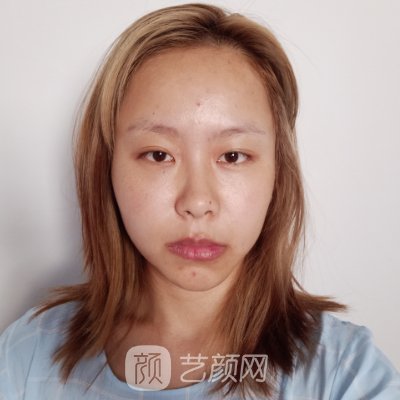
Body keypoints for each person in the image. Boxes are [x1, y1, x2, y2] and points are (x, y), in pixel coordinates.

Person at [0, 3, 399, 399]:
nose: (197, 201)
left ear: (279, 173)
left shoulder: (343, 375)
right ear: (107, 168)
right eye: (159, 155)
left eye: (233, 156)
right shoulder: (27, 356)